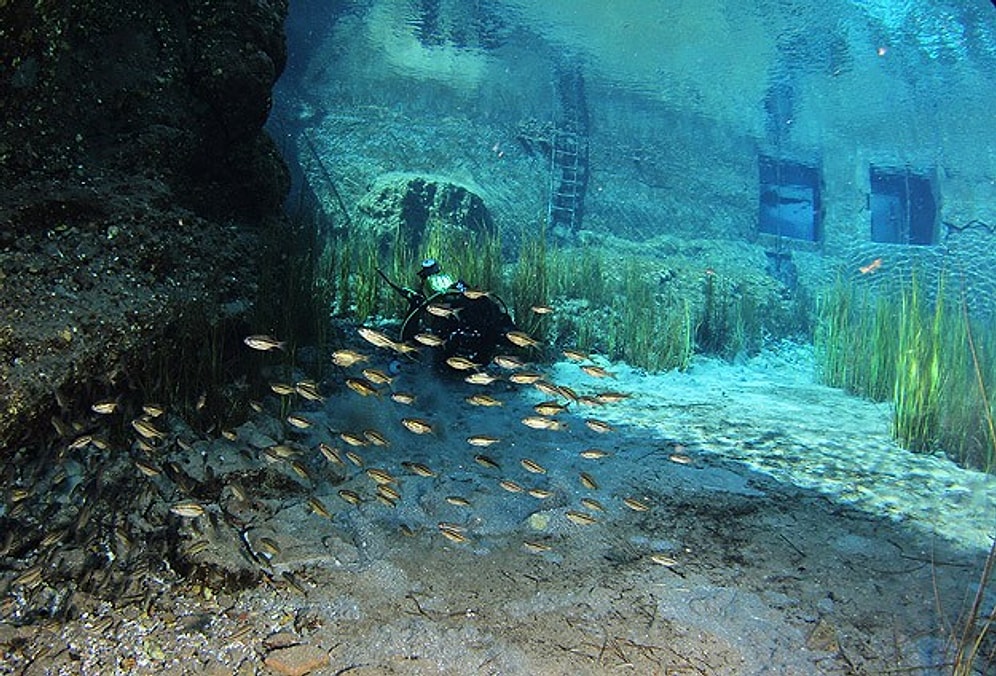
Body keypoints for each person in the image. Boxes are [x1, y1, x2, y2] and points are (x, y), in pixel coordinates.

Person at [378, 259, 517, 369]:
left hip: (468, 355)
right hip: (471, 354)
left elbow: (411, 334)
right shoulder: (480, 305)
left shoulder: (477, 306)